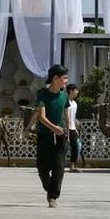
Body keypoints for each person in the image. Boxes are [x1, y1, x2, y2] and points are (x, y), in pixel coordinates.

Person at [31, 65, 71, 208]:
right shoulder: (42, 95)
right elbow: (41, 117)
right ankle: (49, 188)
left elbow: (66, 116)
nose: (66, 81)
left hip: (61, 137)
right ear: (55, 78)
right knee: (42, 167)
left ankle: (53, 196)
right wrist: (54, 128)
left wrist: (69, 130)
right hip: (45, 136)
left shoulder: (64, 96)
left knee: (59, 167)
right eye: (64, 78)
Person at [65, 83, 82, 172]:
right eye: (76, 90)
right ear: (71, 91)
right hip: (65, 128)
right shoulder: (65, 101)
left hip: (72, 128)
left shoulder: (74, 103)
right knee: (62, 148)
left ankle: (72, 166)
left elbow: (73, 117)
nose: (77, 92)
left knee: (75, 147)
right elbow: (66, 117)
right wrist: (67, 132)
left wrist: (76, 127)